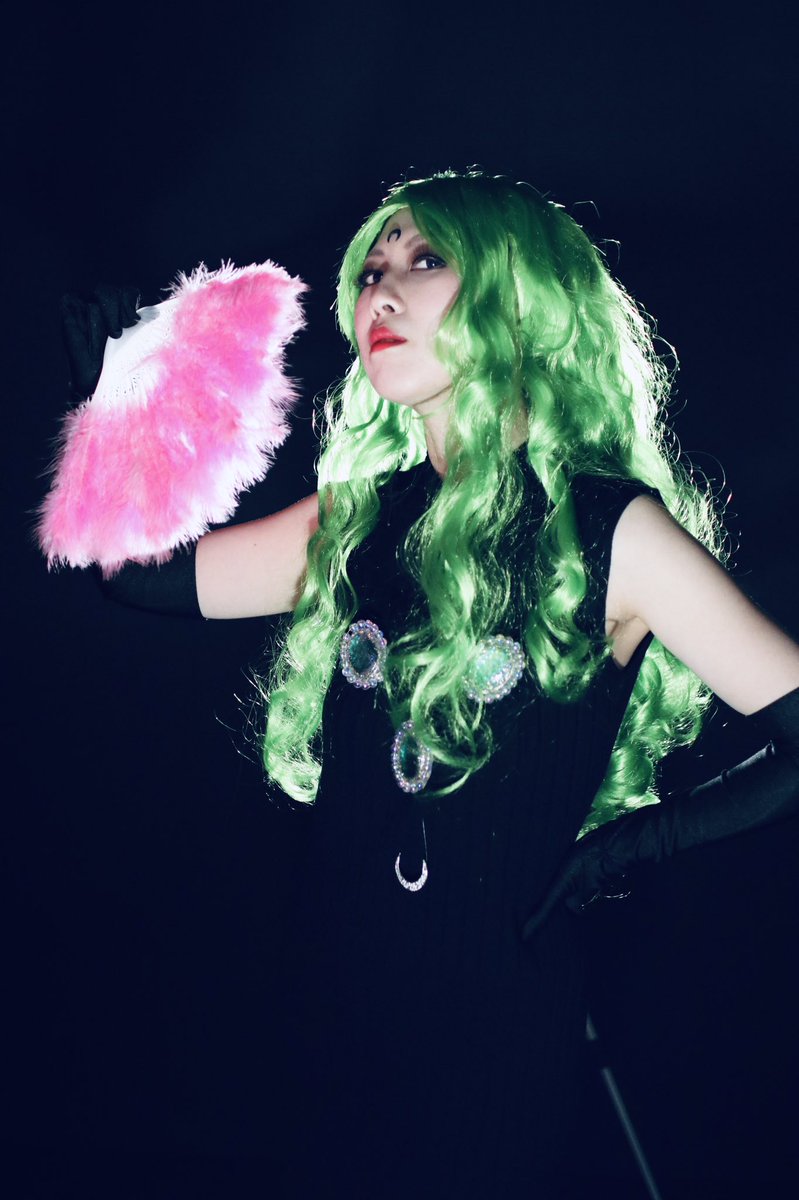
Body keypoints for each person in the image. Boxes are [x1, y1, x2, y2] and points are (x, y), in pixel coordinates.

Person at [40, 171, 799, 1197]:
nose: (381, 291)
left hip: (490, 1050)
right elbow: (139, 577)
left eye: (426, 259)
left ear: (519, 298)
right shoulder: (357, 516)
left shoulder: (613, 531)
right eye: (372, 268)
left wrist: (630, 844)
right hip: (328, 1022)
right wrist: (121, 406)